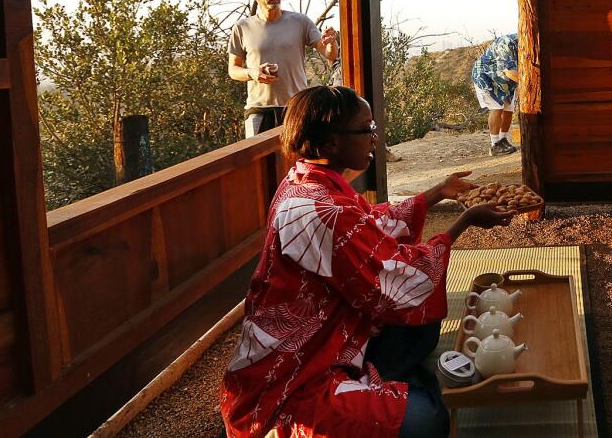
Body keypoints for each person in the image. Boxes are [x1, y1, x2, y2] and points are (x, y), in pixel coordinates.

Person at [220, 85, 514, 438]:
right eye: (366, 129)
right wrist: (463, 223)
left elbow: (371, 223)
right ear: (329, 142)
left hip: (333, 333)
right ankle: (392, 388)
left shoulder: (304, 181)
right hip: (295, 374)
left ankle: (386, 382)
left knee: (422, 325)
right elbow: (399, 276)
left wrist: (438, 192)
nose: (375, 138)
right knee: (427, 421)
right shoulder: (323, 210)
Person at [228, 0, 339, 137]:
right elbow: (233, 70)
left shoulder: (300, 21)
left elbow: (329, 54)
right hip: (258, 110)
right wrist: (252, 73)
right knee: (259, 162)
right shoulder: (242, 27)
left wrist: (331, 43)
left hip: (295, 107)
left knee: (297, 160)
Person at [471, 33, 519, 156]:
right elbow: (510, 72)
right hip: (486, 77)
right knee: (497, 108)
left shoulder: (525, 46)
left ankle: (503, 141)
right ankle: (495, 145)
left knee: (509, 109)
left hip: (503, 81)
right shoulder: (507, 44)